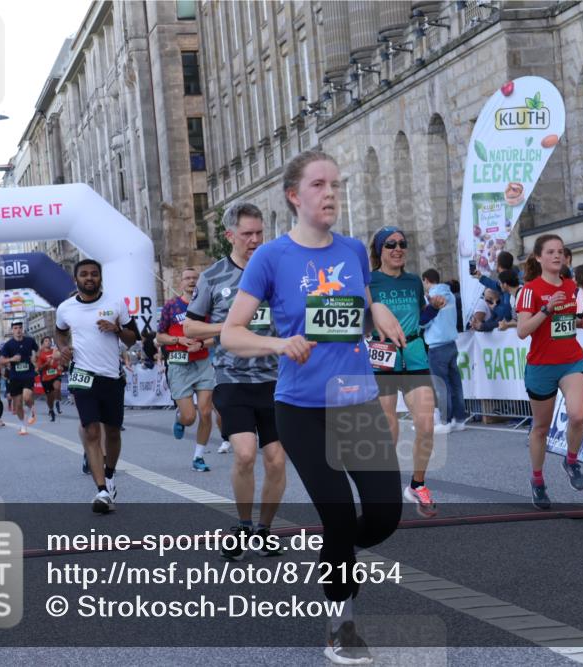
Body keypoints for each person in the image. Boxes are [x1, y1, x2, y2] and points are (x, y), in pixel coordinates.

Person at [221, 150, 404, 665]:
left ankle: (335, 554)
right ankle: (340, 625)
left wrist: (379, 311)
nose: (331, 193)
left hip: (357, 401)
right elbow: (232, 333)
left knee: (385, 515)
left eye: (336, 185)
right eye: (319, 185)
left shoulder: (352, 249)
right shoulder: (271, 257)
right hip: (301, 408)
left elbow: (363, 298)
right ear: (294, 196)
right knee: (339, 514)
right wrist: (280, 343)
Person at [183, 202, 288, 559]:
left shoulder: (277, 272)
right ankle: (243, 526)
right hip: (232, 378)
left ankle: (264, 530)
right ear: (230, 235)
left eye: (259, 233)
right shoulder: (213, 276)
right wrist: (229, 327)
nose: (255, 240)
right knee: (244, 454)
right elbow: (190, 327)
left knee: (276, 460)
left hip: (276, 379)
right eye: (247, 234)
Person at [368, 226, 445, 518]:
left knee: (426, 425)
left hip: (414, 355)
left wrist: (433, 309)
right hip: (383, 356)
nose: (398, 248)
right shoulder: (370, 282)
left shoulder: (414, 281)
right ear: (380, 250)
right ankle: (385, 487)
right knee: (388, 429)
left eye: (402, 243)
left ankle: (417, 485)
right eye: (390, 244)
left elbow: (420, 318)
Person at [516, 235, 583, 509]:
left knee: (578, 415)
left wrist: (580, 323)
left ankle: (571, 461)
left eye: (560, 251)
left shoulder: (571, 286)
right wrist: (547, 309)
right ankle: (537, 481)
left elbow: (566, 322)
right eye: (550, 252)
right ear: (538, 257)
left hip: (571, 361)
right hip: (541, 366)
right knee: (540, 428)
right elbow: (522, 331)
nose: (557, 256)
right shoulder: (530, 290)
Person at [55, 258, 139, 514]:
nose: (89, 278)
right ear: (76, 279)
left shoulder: (116, 303)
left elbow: (133, 338)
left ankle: (109, 476)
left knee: (112, 432)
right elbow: (59, 331)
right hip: (82, 375)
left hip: (111, 376)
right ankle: (101, 490)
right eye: (84, 274)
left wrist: (117, 329)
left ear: (100, 278)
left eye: (94, 274)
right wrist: (63, 348)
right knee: (91, 432)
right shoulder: (66, 308)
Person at [156, 267, 217, 471]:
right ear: (181, 283)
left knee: (206, 412)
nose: (191, 281)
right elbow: (159, 336)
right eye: (187, 278)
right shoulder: (171, 306)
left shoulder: (208, 305)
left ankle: (198, 457)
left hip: (202, 363)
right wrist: (178, 340)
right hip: (179, 364)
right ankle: (180, 418)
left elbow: (217, 335)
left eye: (195, 278)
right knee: (190, 417)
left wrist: (201, 344)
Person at [421, 269, 468, 433]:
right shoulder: (450, 295)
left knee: (442, 385)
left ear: (426, 280)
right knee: (455, 384)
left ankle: (445, 421)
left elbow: (424, 322)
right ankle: (460, 420)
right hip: (451, 343)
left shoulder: (430, 298)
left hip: (436, 345)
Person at [0, 322, 39, 435]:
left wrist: (35, 357)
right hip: (15, 377)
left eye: (20, 328)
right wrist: (11, 359)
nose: (18, 330)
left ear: (23, 329)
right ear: (12, 330)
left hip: (28, 374)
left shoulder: (30, 341)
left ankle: (31, 410)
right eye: (15, 328)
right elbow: (1, 361)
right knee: (17, 405)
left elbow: (38, 351)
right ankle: (23, 425)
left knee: (26, 397)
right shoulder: (8, 345)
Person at [36, 335, 64, 421]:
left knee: (57, 387)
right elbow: (39, 368)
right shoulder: (41, 355)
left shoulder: (55, 351)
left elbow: (61, 360)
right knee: (49, 397)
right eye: (46, 341)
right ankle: (51, 410)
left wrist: (60, 365)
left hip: (56, 374)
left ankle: (58, 402)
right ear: (42, 344)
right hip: (46, 378)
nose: (48, 342)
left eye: (49, 341)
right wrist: (46, 363)